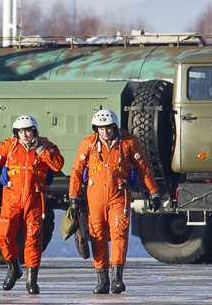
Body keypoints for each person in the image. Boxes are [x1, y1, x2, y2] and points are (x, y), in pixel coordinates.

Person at [68, 109, 160, 294]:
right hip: (95, 198)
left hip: (119, 196)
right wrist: (74, 197)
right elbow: (77, 171)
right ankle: (102, 281)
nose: (105, 133)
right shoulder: (88, 144)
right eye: (101, 129)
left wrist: (153, 192)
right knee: (97, 236)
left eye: (108, 128)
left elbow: (143, 167)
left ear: (115, 127)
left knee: (119, 234)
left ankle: (117, 278)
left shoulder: (128, 142)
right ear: (96, 129)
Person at [0, 115, 65, 294]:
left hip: (34, 199)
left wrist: (42, 150)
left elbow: (58, 165)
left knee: (33, 239)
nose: (24, 135)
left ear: (35, 131)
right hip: (12, 199)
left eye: (28, 131)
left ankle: (31, 280)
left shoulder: (46, 147)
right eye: (20, 132)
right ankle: (14, 268)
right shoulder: (9, 146)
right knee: (3, 235)